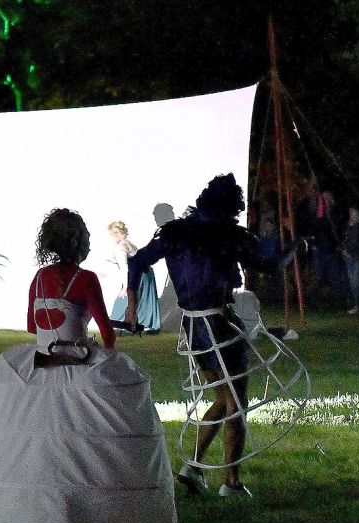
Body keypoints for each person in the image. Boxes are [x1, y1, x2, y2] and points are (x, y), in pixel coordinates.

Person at [0, 208, 175, 523]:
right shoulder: (86, 279)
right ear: (79, 243)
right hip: (78, 358)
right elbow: (107, 331)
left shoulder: (38, 278)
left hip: (39, 360)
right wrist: (103, 355)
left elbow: (31, 325)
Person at [125, 174, 296, 497]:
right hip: (218, 323)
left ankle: (195, 467)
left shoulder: (176, 234)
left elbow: (137, 261)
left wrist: (132, 306)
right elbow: (268, 266)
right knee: (236, 401)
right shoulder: (229, 235)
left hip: (194, 326)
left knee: (225, 398)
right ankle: (230, 480)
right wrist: (295, 247)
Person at [107, 220, 160, 333]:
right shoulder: (128, 244)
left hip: (133, 277)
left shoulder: (120, 248)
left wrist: (124, 287)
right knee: (133, 303)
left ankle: (132, 326)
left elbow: (124, 268)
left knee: (132, 302)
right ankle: (131, 324)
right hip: (139, 275)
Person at [342, 204, 359, 315]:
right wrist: (344, 250)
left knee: (356, 282)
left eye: (353, 211)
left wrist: (350, 250)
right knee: (352, 282)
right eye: (350, 212)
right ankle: (357, 305)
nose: (351, 214)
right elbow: (345, 239)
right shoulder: (349, 225)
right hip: (349, 258)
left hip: (357, 256)